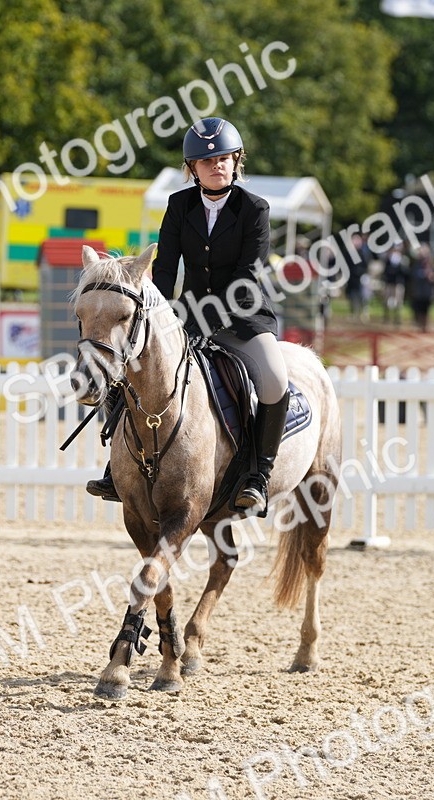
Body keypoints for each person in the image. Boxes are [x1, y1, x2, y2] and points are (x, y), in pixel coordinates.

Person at [87, 116, 288, 515]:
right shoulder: (179, 205)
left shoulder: (255, 208)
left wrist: (204, 322)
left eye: (224, 158)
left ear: (236, 161)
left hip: (243, 319)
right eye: (207, 161)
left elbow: (247, 278)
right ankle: (117, 468)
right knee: (128, 371)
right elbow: (164, 270)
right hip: (185, 319)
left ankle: (257, 475)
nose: (217, 165)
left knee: (274, 381)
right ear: (192, 168)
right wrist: (163, 317)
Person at [407, 245, 434, 331]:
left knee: (425, 310)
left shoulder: (431, 265)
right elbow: (413, 276)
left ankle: (424, 327)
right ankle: (419, 326)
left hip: (427, 293)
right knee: (417, 310)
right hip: (418, 292)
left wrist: (431, 275)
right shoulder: (416, 265)